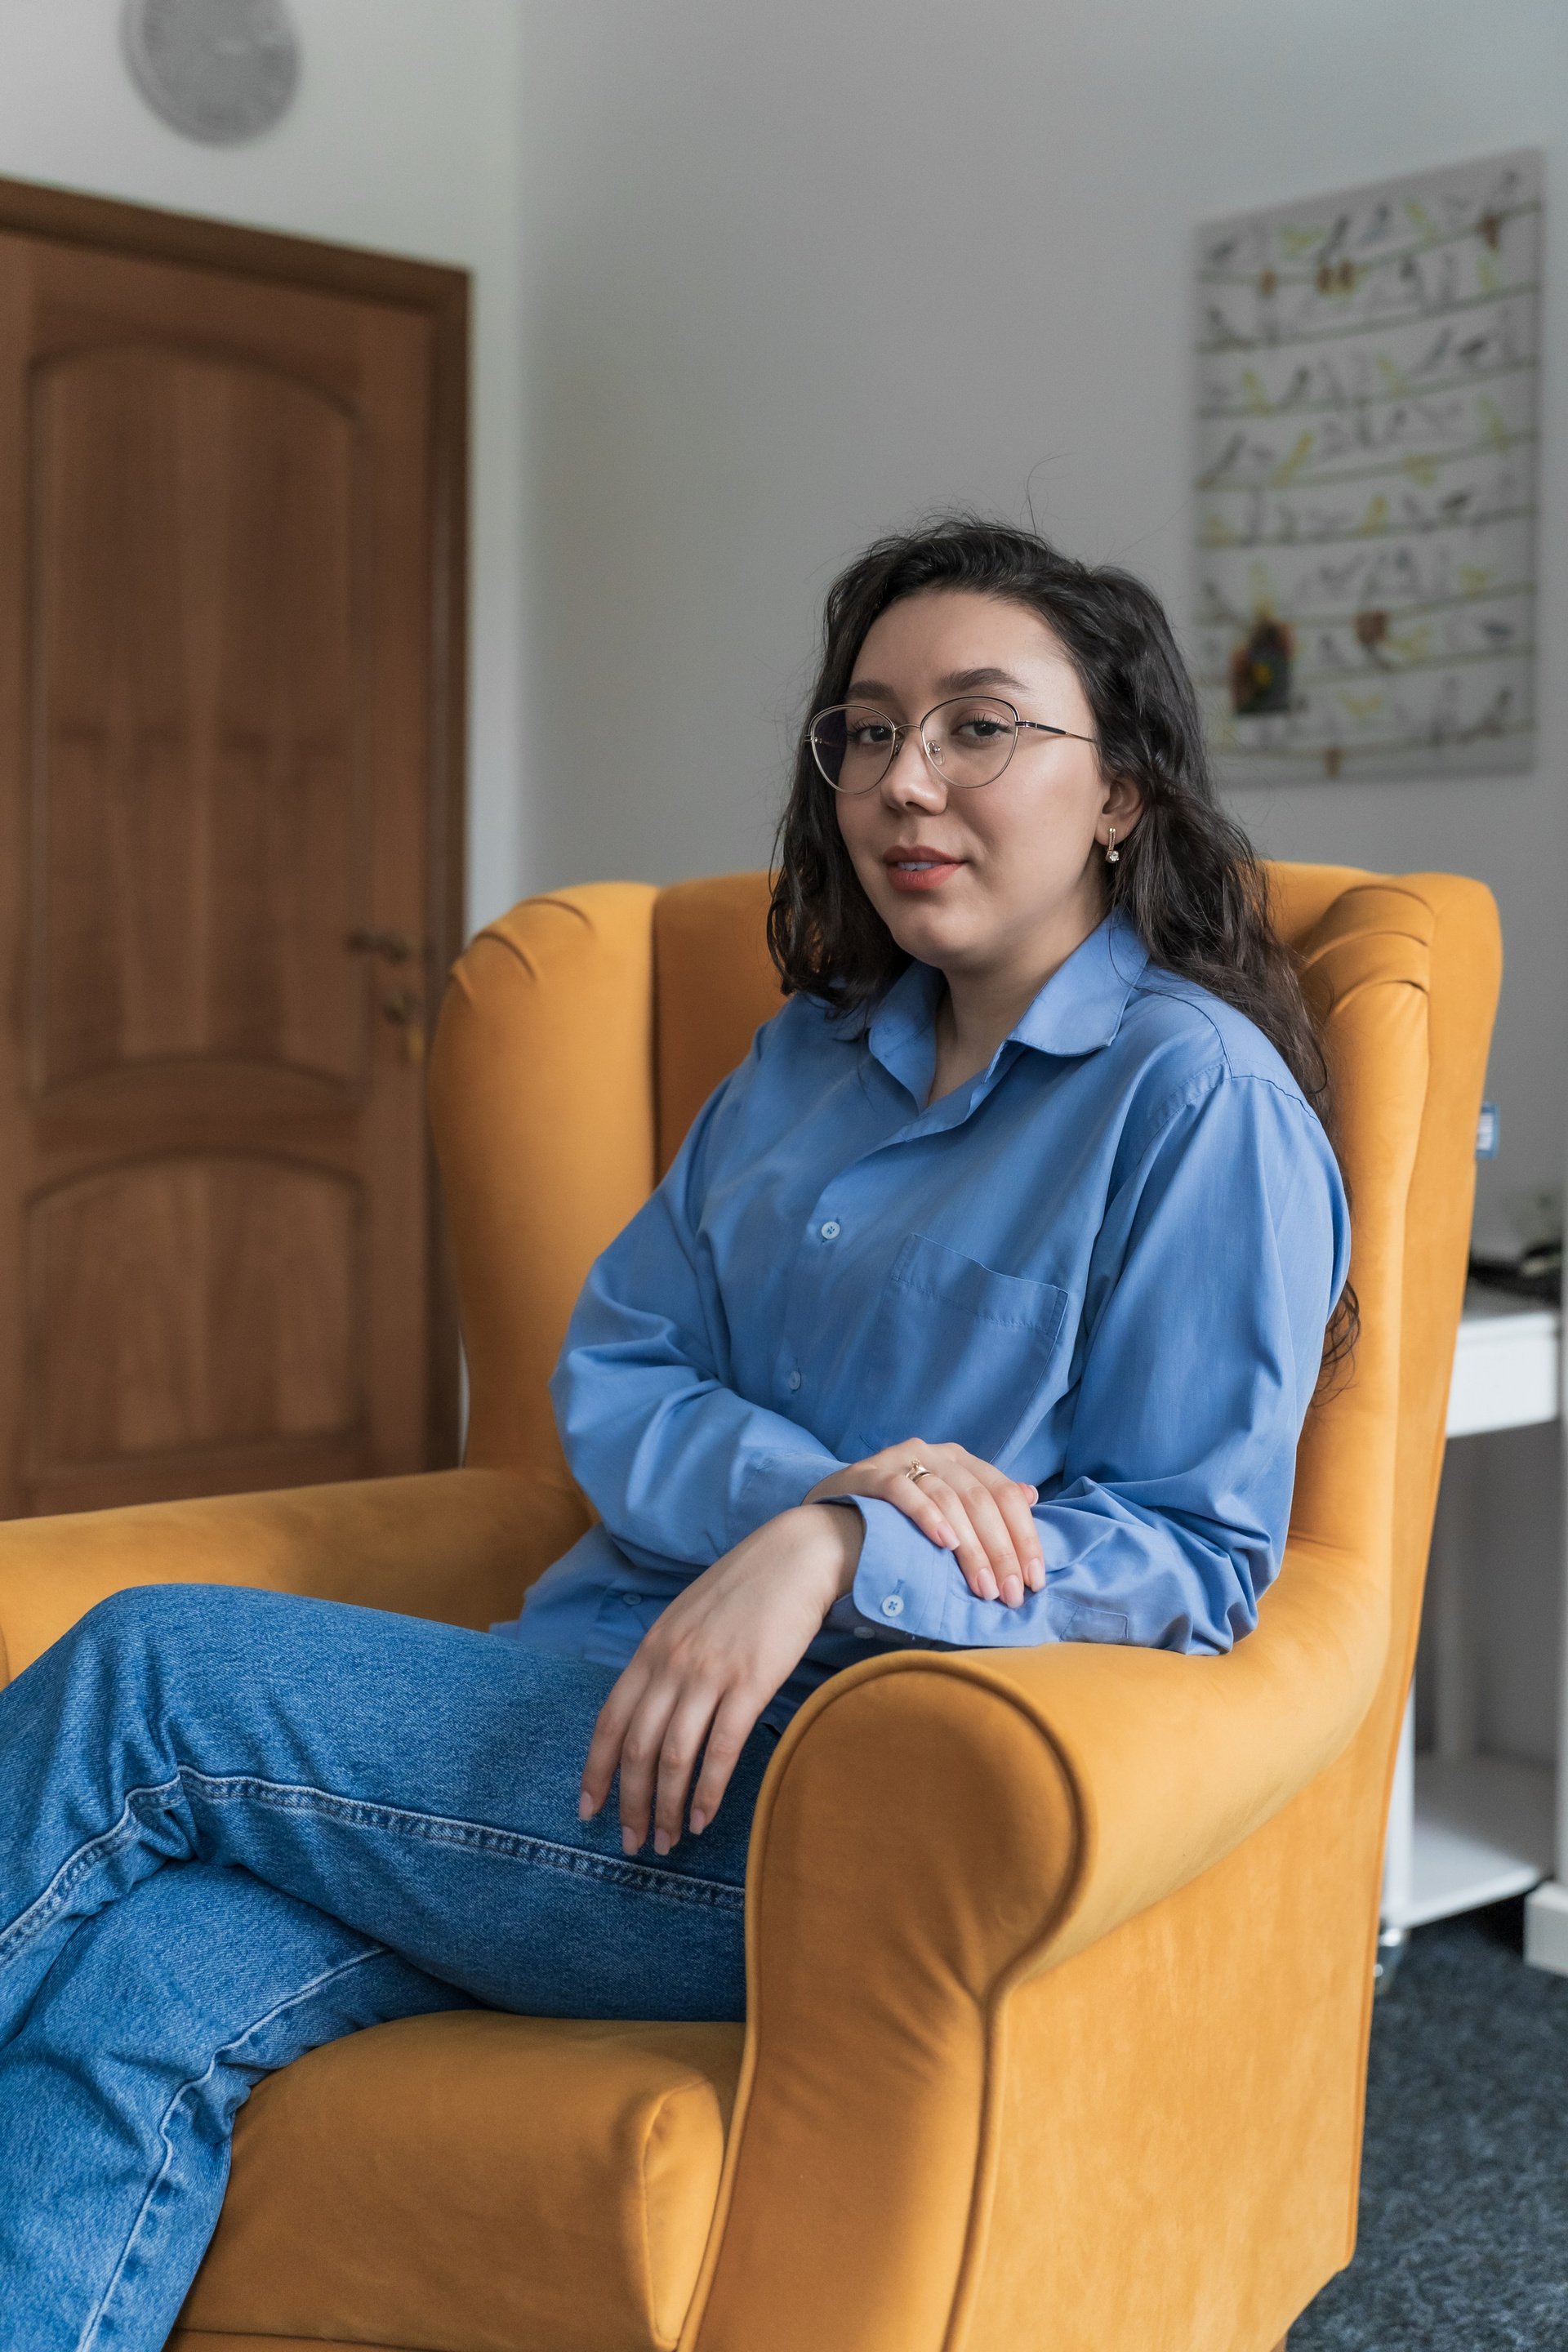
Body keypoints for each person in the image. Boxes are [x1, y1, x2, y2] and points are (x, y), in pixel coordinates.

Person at [0, 517, 1349, 2349]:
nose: (906, 782)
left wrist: (835, 1551)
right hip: (555, 1714)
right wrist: (817, 1485)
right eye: (867, 731)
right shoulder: (801, 1062)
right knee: (151, 1982)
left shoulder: (1197, 1101)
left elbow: (1193, 1558)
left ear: (1118, 789)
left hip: (807, 1817)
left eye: (979, 726)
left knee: (155, 1672)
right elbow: (621, 1375)